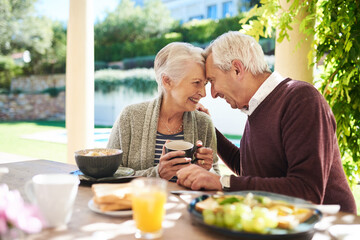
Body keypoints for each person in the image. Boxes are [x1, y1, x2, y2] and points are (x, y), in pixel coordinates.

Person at [176, 31, 357, 214]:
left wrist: (223, 182)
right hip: (285, 222)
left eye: (212, 81)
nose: (213, 93)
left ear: (237, 69)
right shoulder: (256, 109)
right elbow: (246, 168)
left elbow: (307, 191)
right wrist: (209, 128)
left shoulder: (301, 99)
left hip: (329, 225)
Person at [107, 42, 220, 181]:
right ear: (167, 81)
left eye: (205, 84)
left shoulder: (203, 122)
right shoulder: (130, 117)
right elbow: (110, 173)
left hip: (186, 203)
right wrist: (157, 173)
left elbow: (216, 178)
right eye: (196, 82)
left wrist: (206, 170)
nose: (203, 93)